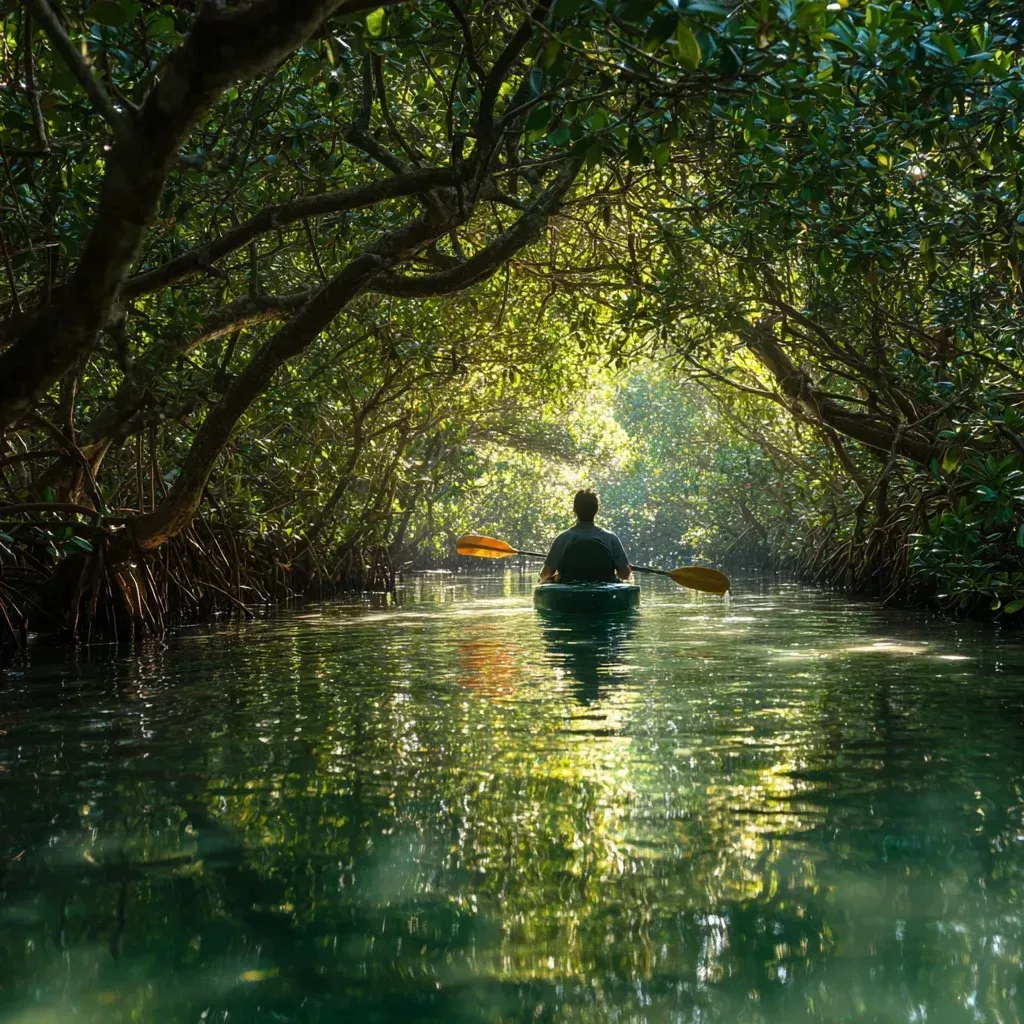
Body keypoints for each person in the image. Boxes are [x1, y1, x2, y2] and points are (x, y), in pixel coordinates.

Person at [540, 489, 632, 583]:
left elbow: (545, 574)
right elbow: (624, 574)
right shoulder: (610, 538)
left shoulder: (562, 539)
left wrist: (557, 576)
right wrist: (625, 569)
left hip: (569, 591)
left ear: (574, 509)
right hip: (603, 592)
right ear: (596, 510)